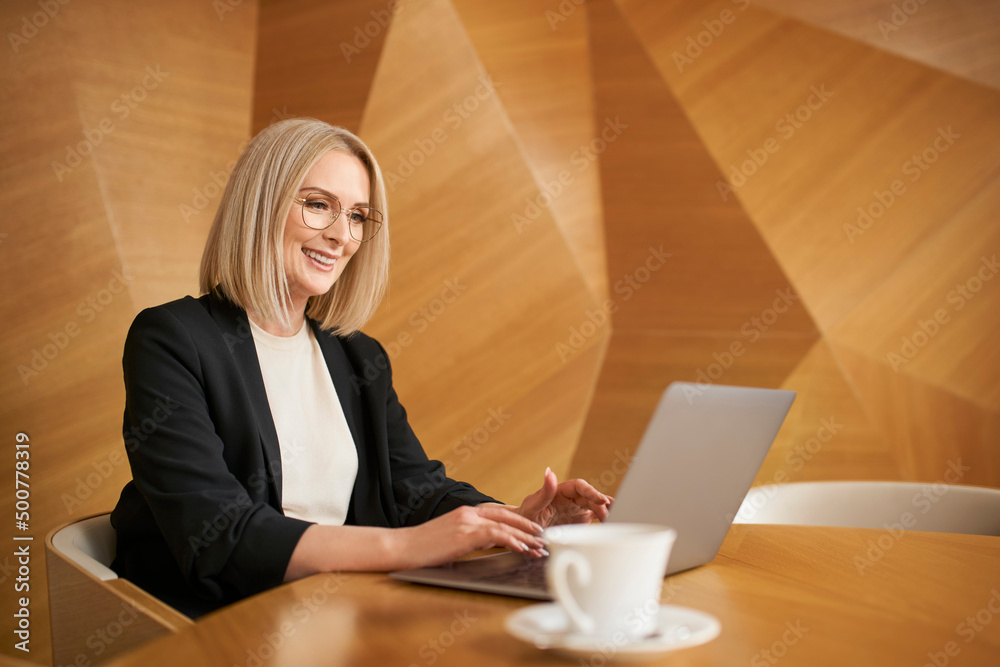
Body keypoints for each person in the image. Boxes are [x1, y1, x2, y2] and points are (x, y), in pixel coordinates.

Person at [110, 118, 611, 617]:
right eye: (317, 205)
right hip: (216, 623)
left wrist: (514, 519)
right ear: (260, 206)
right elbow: (218, 535)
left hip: (339, 609)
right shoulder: (171, 339)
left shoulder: (357, 356)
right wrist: (409, 548)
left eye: (356, 216)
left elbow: (416, 491)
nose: (340, 236)